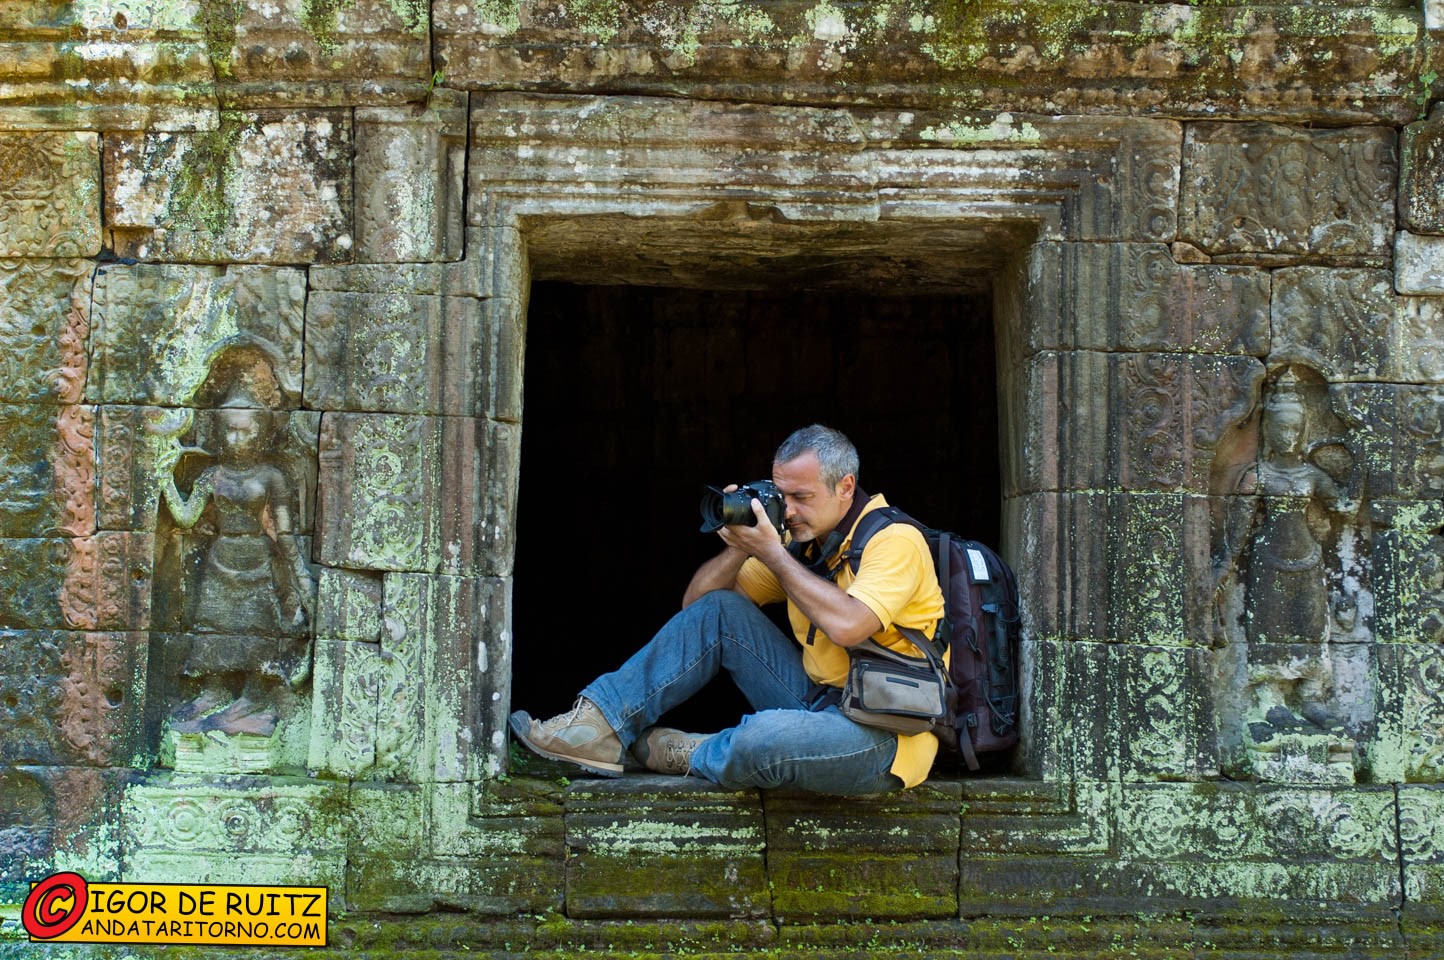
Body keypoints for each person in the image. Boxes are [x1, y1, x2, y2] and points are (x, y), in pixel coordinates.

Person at [509, 425, 946, 795]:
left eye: (802, 497)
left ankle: (699, 751)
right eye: (782, 495)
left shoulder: (895, 541)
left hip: (884, 734)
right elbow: (697, 610)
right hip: (818, 701)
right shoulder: (802, 545)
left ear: (845, 487)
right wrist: (739, 545)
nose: (788, 511)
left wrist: (774, 555)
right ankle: (596, 726)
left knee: (761, 738)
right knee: (722, 609)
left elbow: (851, 625)